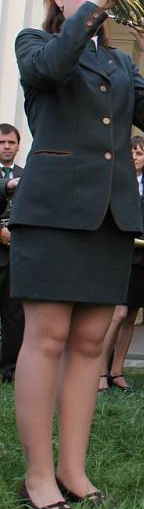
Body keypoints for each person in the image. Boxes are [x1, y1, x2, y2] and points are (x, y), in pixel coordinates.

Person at [11, 0, 144, 509]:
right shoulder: (35, 41)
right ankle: (37, 476)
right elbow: (51, 71)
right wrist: (101, 2)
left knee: (87, 346)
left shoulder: (116, 59)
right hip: (54, 211)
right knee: (47, 339)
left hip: (110, 215)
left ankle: (72, 470)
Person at [97, 135, 144, 392]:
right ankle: (99, 370)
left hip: (142, 258)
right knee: (117, 314)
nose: (135, 155)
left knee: (131, 316)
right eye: (131, 151)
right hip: (118, 256)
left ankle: (117, 371)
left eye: (140, 152)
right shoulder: (115, 183)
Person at [0, 123, 24, 384]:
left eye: (11, 142)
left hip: (17, 258)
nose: (7, 146)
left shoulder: (27, 175)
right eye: (2, 142)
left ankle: (9, 370)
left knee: (15, 318)